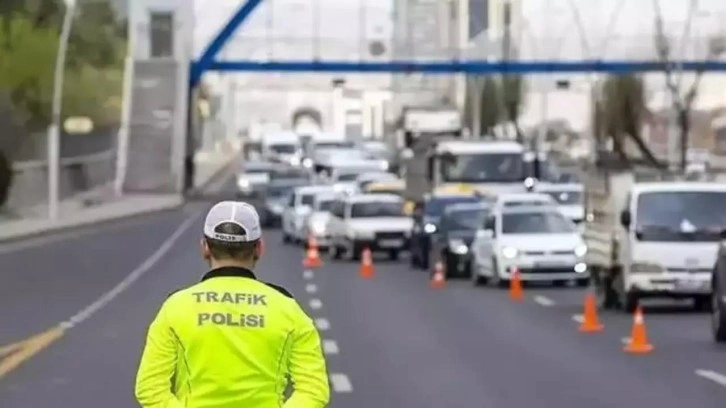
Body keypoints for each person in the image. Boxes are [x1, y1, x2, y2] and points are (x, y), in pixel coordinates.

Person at [134, 201, 330, 407]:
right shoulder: (288, 309)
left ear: (205, 248)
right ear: (259, 248)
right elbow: (313, 390)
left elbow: (149, 388)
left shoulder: (175, 308)